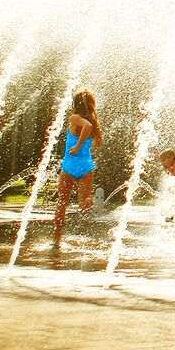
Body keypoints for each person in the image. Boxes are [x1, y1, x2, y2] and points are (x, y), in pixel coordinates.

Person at [54, 89, 101, 247]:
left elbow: (85, 126)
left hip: (70, 164)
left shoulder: (75, 118)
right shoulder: (94, 121)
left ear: (75, 103)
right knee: (83, 203)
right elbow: (95, 138)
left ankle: (57, 239)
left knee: (62, 203)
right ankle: (90, 201)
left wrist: (77, 145)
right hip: (86, 165)